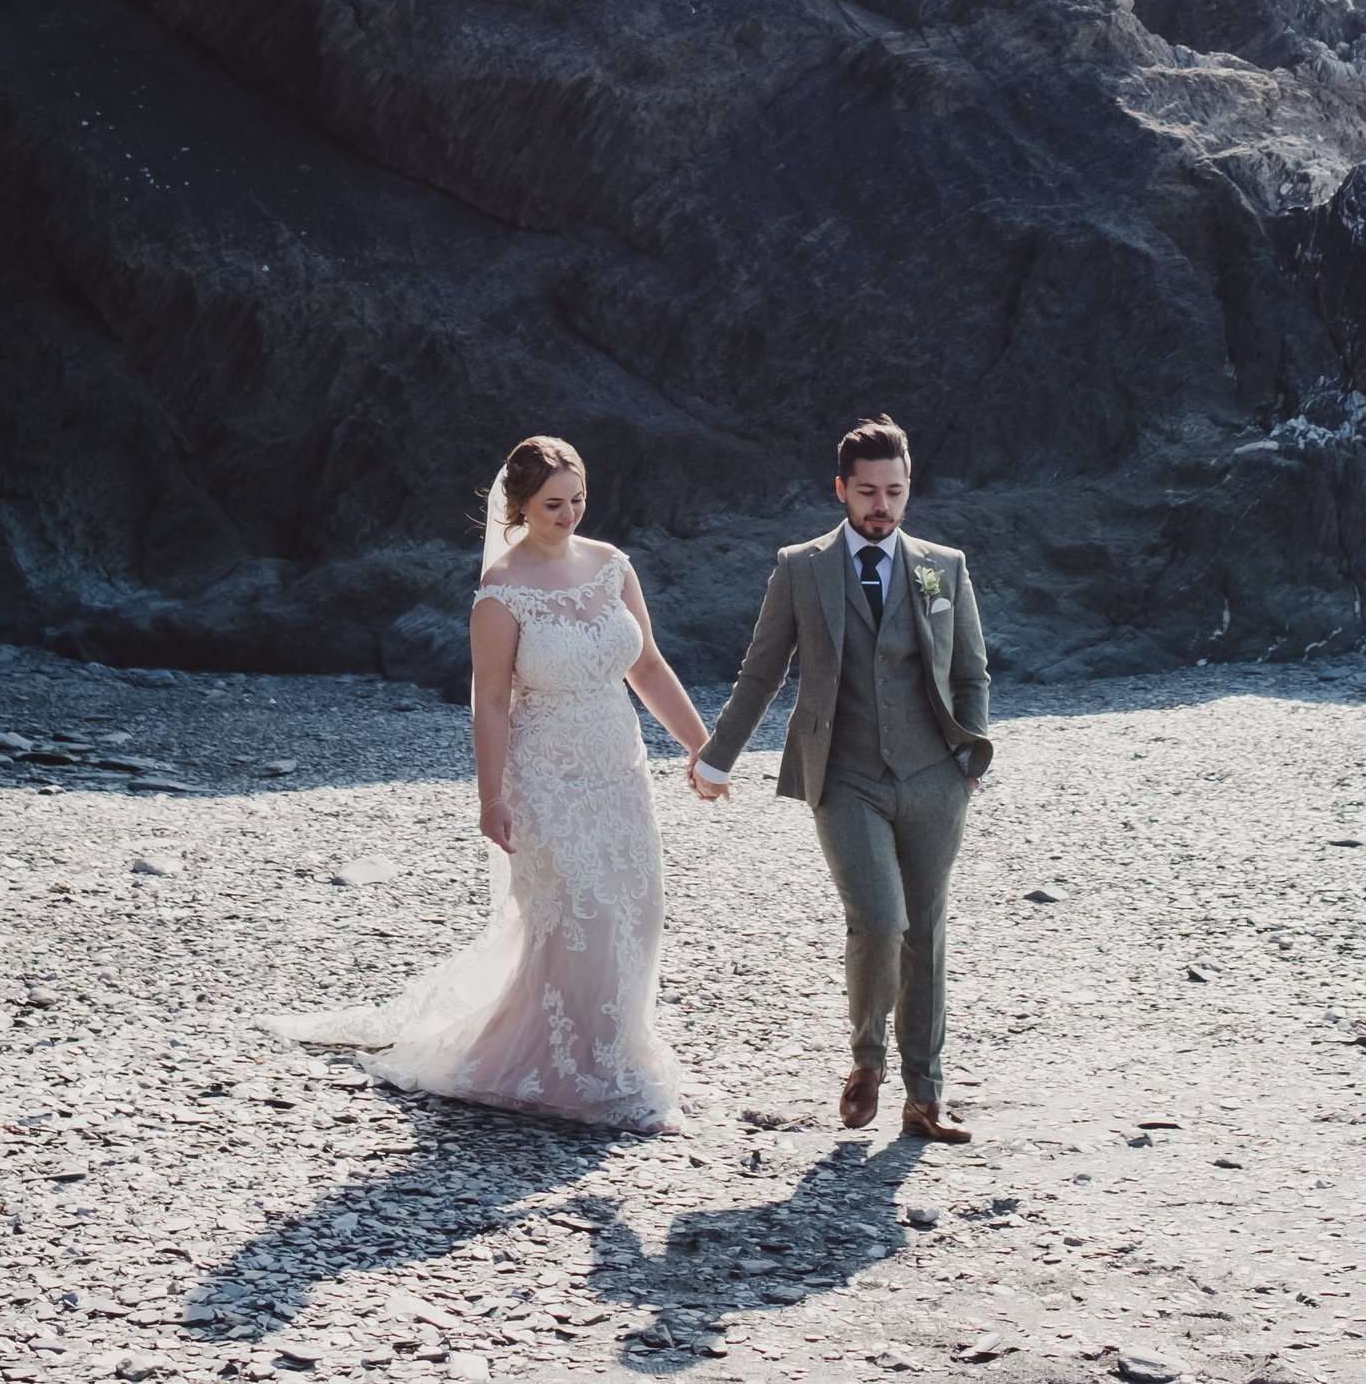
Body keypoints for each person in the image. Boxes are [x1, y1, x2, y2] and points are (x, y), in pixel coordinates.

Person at [272, 435, 717, 1130]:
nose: (569, 513)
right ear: (519, 505)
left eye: (578, 500)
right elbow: (493, 701)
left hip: (618, 767)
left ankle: (615, 1054)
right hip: (545, 776)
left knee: (637, 908)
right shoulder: (501, 593)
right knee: (582, 914)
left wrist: (700, 747)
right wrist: (491, 797)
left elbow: (649, 667)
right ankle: (583, 1075)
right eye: (553, 504)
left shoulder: (611, 567)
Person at [688, 415, 991, 1141]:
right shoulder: (801, 568)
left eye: (894, 491)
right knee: (881, 922)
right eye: (867, 492)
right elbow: (763, 670)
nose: (881, 505)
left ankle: (925, 1098)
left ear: (909, 487)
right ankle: (866, 1061)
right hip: (844, 775)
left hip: (933, 778)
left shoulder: (942, 566)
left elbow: (970, 671)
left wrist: (970, 758)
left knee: (928, 933)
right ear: (841, 491)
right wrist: (717, 754)